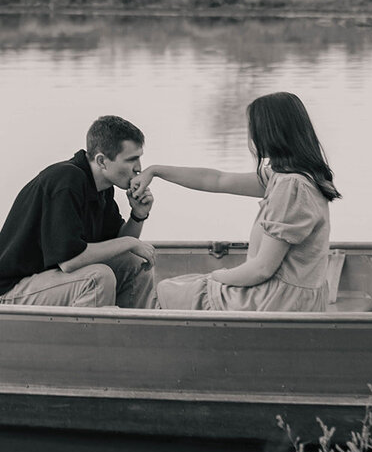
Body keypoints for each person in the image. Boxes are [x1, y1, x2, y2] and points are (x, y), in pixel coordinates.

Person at [130, 92, 341, 313]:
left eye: (253, 129)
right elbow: (216, 179)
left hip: (275, 300)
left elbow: (261, 269)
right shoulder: (298, 177)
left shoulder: (291, 187)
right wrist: (156, 171)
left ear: (270, 133)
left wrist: (217, 276)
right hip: (293, 298)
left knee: (167, 291)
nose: (250, 137)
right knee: (184, 285)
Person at [0, 114, 157, 308]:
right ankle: (86, 338)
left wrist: (138, 215)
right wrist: (129, 243)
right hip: (4, 295)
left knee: (136, 264)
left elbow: (117, 246)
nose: (139, 169)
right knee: (98, 278)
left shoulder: (102, 189)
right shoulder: (66, 181)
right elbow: (70, 261)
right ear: (102, 161)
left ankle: (128, 335)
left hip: (49, 285)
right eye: (131, 160)